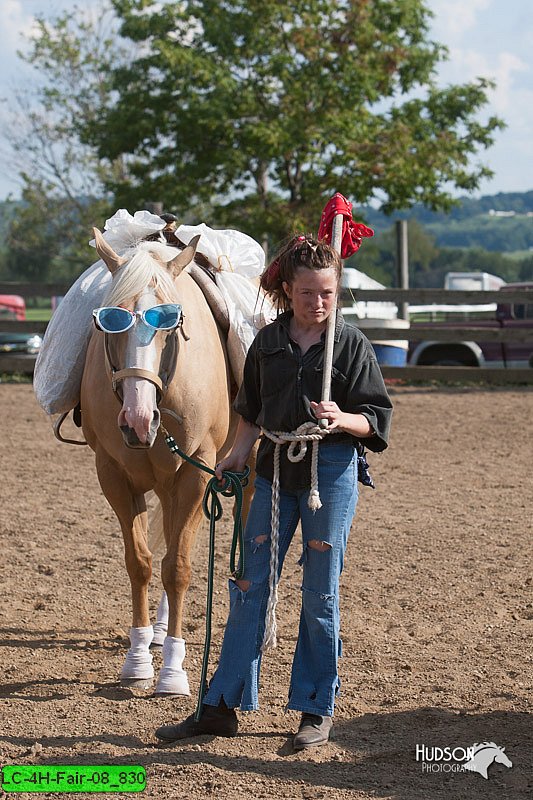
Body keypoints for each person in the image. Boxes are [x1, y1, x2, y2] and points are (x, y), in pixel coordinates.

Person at [155, 235, 393, 750]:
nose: (319, 302)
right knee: (249, 584)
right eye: (308, 293)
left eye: (328, 292)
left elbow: (376, 419)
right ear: (288, 290)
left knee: (320, 591)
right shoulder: (266, 343)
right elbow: (251, 411)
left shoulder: (349, 345)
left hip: (329, 470)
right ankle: (220, 706)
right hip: (272, 471)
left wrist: (342, 418)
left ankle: (314, 708)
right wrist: (236, 454)